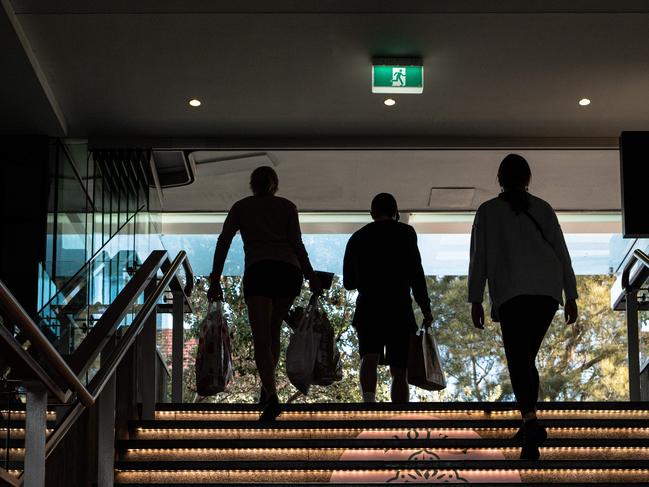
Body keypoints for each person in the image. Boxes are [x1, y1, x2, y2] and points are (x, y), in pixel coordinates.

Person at [468, 153, 578, 460]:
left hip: (512, 293)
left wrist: (475, 299)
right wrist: (571, 295)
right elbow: (561, 253)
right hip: (545, 292)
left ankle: (530, 421)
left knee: (519, 357)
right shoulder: (543, 208)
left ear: (500, 179)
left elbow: (479, 258)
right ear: (527, 178)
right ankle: (529, 422)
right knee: (524, 356)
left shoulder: (487, 211)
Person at [207, 166, 322, 421]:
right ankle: (266, 386)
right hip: (288, 272)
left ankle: (270, 394)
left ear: (252, 184)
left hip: (260, 270)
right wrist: (311, 276)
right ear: (275, 184)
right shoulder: (287, 207)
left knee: (262, 336)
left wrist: (215, 279)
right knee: (273, 331)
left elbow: (223, 241)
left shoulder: (241, 207)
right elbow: (297, 244)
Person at [343, 193, 434, 403]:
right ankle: (399, 412)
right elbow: (416, 274)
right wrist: (426, 308)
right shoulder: (406, 233)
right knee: (399, 367)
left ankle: (368, 402)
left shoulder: (357, 237)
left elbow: (349, 282)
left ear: (372, 213)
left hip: (369, 306)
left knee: (369, 356)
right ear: (396, 213)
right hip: (399, 306)